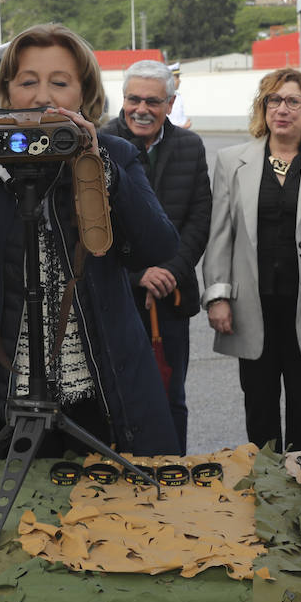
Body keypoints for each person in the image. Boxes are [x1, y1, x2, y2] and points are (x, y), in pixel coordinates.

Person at [0, 23, 180, 458]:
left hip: (96, 389)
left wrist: (98, 166)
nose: (43, 96)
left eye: (60, 83)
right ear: (3, 92)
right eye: (27, 82)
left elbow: (157, 247)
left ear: (84, 94)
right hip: (0, 394)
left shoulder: (113, 154)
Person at [203, 68, 301, 451]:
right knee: (258, 403)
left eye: (293, 101)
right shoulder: (231, 161)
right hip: (251, 304)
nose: (282, 109)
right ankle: (265, 480)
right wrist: (218, 296)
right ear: (263, 107)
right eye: (274, 100)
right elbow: (220, 236)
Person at [103, 59, 211, 449]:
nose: (142, 109)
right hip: (115, 295)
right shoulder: (98, 142)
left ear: (170, 103)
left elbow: (200, 220)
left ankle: (172, 478)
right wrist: (137, 276)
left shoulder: (190, 146)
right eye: (134, 99)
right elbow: (90, 228)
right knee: (114, 398)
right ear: (123, 98)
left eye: (153, 101)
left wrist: (167, 272)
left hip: (171, 296)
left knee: (170, 397)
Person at [167, 62, 192, 129]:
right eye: (177, 77)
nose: (179, 81)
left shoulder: (177, 96)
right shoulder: (166, 97)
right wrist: (183, 127)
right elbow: (168, 124)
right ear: (170, 79)